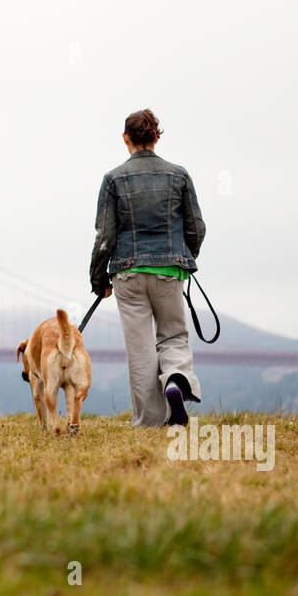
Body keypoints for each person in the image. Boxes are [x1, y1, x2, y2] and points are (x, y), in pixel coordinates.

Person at [89, 109, 205, 427]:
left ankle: (150, 422)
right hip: (169, 272)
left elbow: (105, 235)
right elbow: (196, 227)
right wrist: (183, 257)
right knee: (173, 336)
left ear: (125, 138)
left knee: (140, 350)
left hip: (127, 273)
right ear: (156, 136)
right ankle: (175, 381)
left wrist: (99, 277)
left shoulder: (113, 179)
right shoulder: (179, 175)